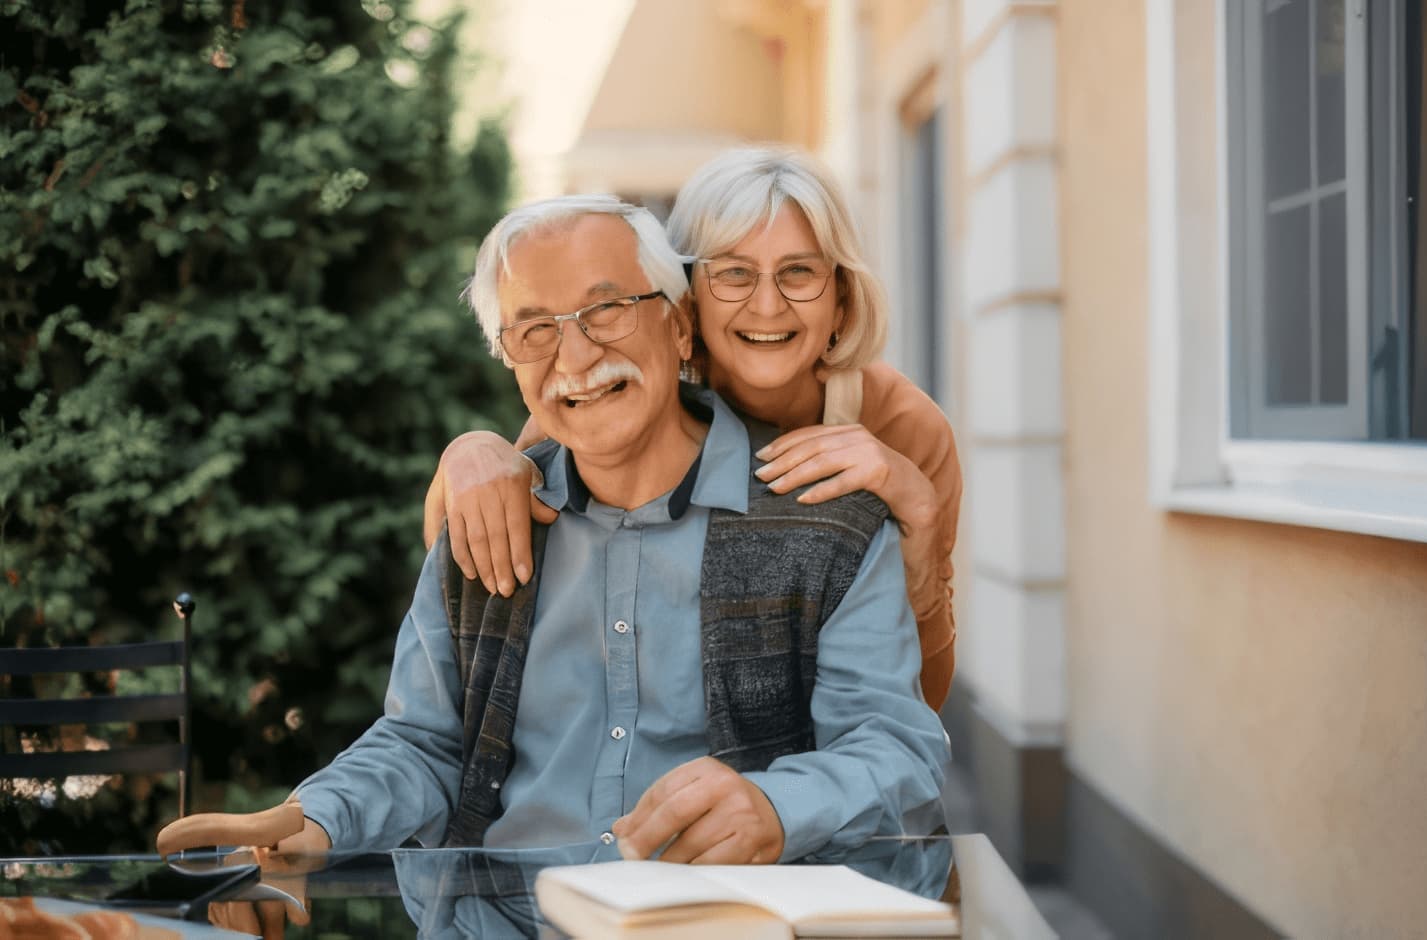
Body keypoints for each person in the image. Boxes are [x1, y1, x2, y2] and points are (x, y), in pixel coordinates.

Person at [159, 195, 949, 901]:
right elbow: (425, 742)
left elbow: (895, 746)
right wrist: (318, 819)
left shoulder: (824, 522)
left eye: (606, 311)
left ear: (678, 326)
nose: (573, 357)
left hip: (721, 923)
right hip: (497, 925)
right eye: (534, 329)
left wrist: (778, 805)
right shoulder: (486, 519)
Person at [424, 147, 961, 710]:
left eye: (798, 272)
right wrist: (471, 450)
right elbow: (462, 555)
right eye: (733, 273)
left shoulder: (905, 428)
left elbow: (918, 709)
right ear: (685, 298)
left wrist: (923, 532)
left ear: (843, 299)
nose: (768, 306)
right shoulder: (621, 392)